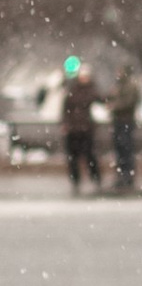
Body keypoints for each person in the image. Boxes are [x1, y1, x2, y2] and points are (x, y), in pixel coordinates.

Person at [58, 63, 102, 196]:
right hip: (74, 128)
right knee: (73, 157)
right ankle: (75, 180)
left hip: (85, 128)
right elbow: (65, 108)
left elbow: (100, 99)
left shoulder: (91, 90)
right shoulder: (73, 90)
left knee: (89, 155)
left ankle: (95, 178)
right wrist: (65, 123)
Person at [108, 65, 142, 192]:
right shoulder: (119, 85)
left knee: (126, 148)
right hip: (119, 121)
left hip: (125, 120)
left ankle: (127, 175)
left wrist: (114, 106)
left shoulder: (130, 86)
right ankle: (121, 175)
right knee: (120, 149)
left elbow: (129, 102)